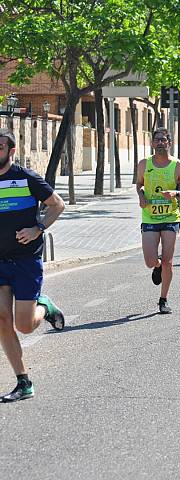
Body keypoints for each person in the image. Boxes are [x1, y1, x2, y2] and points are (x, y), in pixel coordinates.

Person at [0, 129, 65, 402]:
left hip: (26, 261)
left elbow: (57, 205)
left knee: (25, 325)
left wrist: (37, 228)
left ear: (11, 151)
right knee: (3, 319)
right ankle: (23, 381)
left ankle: (45, 306)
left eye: (0, 146)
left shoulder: (26, 178)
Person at [137, 129, 180, 314]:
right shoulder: (144, 164)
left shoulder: (178, 166)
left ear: (169, 143)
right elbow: (139, 184)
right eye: (157, 140)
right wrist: (141, 195)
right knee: (149, 260)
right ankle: (157, 266)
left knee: (169, 261)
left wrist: (175, 193)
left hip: (170, 216)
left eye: (164, 140)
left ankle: (163, 299)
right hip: (150, 216)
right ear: (152, 143)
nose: (160, 143)